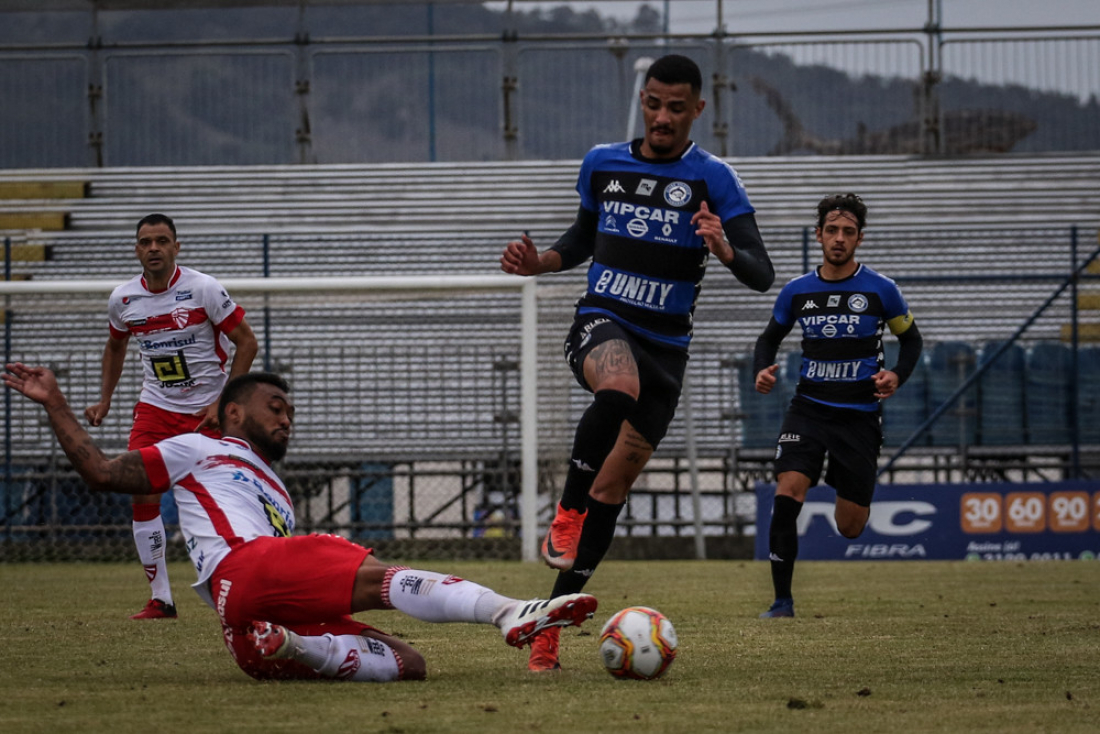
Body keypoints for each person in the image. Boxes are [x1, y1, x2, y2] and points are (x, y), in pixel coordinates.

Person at [4, 364, 598, 681]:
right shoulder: (199, 447)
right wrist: (57, 403)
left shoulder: (277, 490)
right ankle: (507, 612)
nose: (286, 418)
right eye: (275, 408)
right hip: (246, 568)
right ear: (233, 413)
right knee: (377, 576)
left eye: (290, 410)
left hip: (247, 625)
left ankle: (297, 647)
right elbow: (103, 472)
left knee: (408, 663)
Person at [499, 54, 774, 670]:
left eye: (676, 107)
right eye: (653, 104)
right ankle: (566, 512)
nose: (662, 117)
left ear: (697, 109)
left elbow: (762, 273)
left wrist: (723, 247)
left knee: (612, 488)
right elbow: (581, 239)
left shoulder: (715, 178)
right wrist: (541, 262)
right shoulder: (603, 163)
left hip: (667, 352)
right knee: (617, 385)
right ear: (642, 102)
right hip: (603, 321)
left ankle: (548, 627)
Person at [753, 193, 924, 618]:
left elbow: (911, 340)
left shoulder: (882, 290)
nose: (839, 238)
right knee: (787, 491)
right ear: (819, 235)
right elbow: (768, 339)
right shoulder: (797, 291)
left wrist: (897, 375)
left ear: (860, 239)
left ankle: (844, 482)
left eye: (848, 232)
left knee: (850, 527)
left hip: (859, 417)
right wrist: (762, 370)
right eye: (832, 230)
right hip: (808, 410)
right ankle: (781, 602)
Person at [84, 213, 258, 620]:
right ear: (136, 250)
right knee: (141, 491)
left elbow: (247, 342)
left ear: (176, 247)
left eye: (162, 241)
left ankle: (243, 588)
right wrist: (104, 400)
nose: (154, 248)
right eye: (146, 242)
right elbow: (115, 346)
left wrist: (223, 403)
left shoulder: (203, 288)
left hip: (207, 411)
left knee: (224, 501)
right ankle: (161, 598)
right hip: (156, 410)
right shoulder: (123, 299)